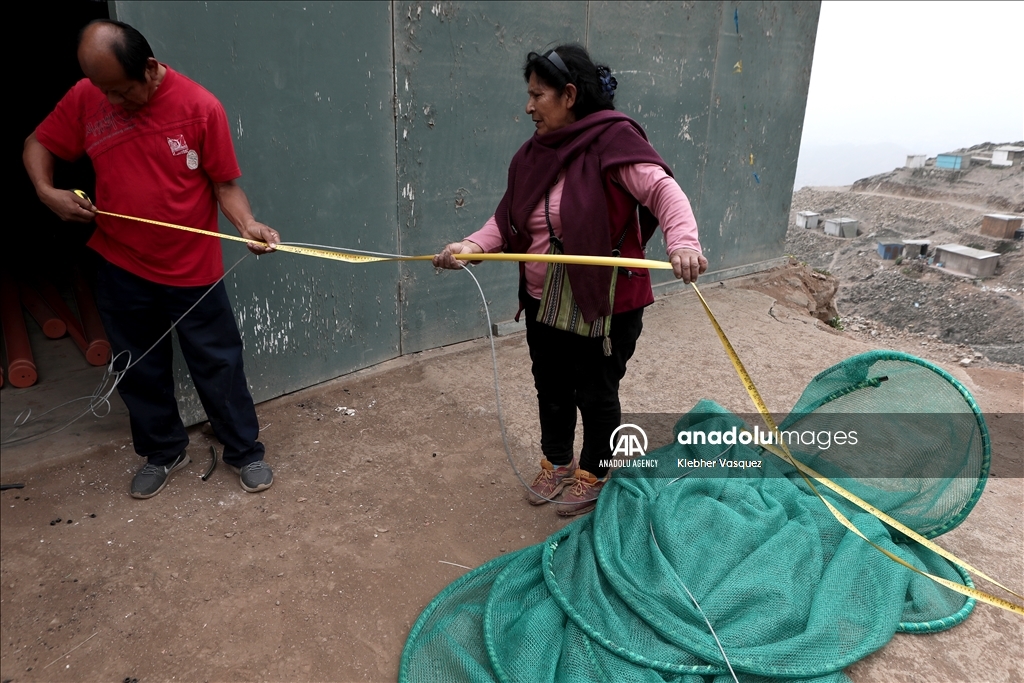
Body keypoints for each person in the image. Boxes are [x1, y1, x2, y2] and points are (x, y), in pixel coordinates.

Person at [434, 44, 707, 516]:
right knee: (551, 386)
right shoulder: (531, 157)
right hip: (543, 300)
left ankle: (594, 472)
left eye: (538, 95)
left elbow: (664, 190)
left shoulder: (614, 143)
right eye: (529, 95)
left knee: (596, 391)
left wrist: (683, 243)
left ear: (570, 95)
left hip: (605, 302)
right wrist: (472, 246)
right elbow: (507, 221)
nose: (528, 106)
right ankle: (556, 462)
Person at [23, 19, 278, 498]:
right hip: (119, 264)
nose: (112, 103)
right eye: (104, 91)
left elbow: (225, 184)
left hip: (192, 268)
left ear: (150, 68)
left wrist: (247, 226)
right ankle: (163, 450)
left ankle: (244, 451)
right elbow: (38, 143)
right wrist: (45, 191)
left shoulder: (201, 108)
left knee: (218, 364)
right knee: (137, 366)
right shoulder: (87, 96)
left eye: (121, 91)